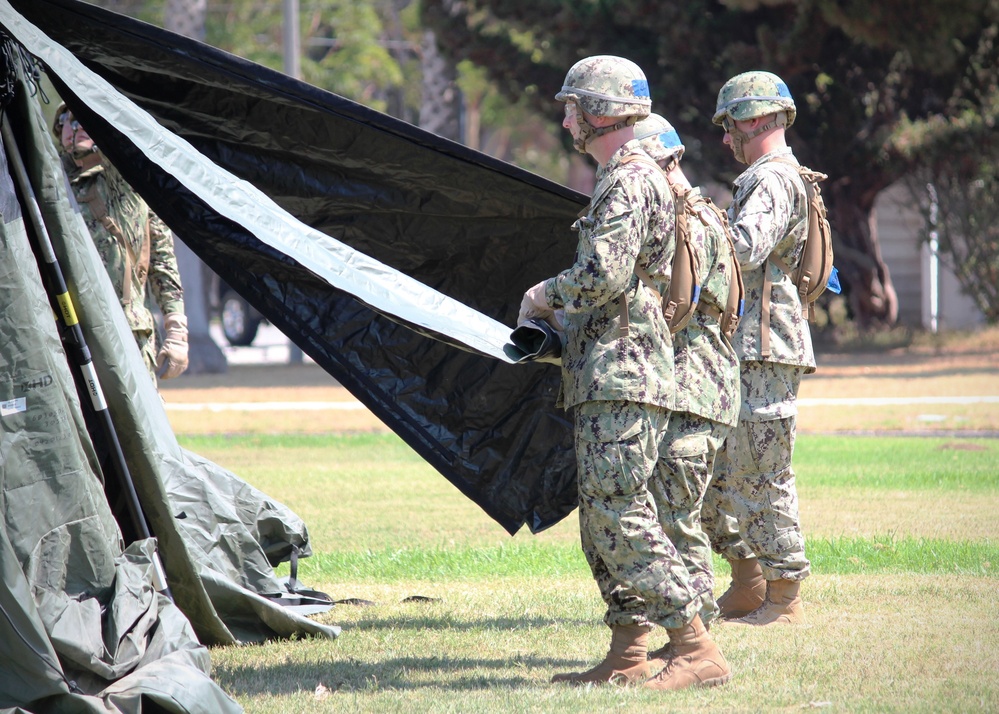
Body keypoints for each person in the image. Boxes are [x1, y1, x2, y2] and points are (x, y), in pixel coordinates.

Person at [518, 56, 730, 690]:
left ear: (600, 113)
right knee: (603, 515)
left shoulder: (627, 179)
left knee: (619, 511)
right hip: (614, 369)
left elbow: (600, 276)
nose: (565, 117)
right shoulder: (635, 176)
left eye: (572, 105)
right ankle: (628, 652)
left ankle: (694, 647)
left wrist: (542, 294)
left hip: (624, 371)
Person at [700, 70, 815, 625]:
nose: (726, 139)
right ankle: (747, 584)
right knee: (727, 472)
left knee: (763, 472)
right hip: (750, 344)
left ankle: (784, 596)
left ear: (757, 120)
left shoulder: (773, 179)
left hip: (765, 347)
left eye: (730, 125)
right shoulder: (769, 178)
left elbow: (744, 246)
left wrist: (695, 227)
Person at [632, 114, 741, 657]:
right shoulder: (706, 214)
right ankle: (690, 637)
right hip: (706, 385)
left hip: (692, 388)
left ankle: (695, 645)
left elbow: (676, 310)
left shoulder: (683, 222)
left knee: (675, 517)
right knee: (676, 512)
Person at [53, 104, 189, 386]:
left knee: (136, 427)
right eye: (65, 120)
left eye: (81, 119)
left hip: (126, 330)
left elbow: (163, 265)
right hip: (66, 330)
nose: (73, 127)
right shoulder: (50, 185)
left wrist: (177, 332)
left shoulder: (129, 184)